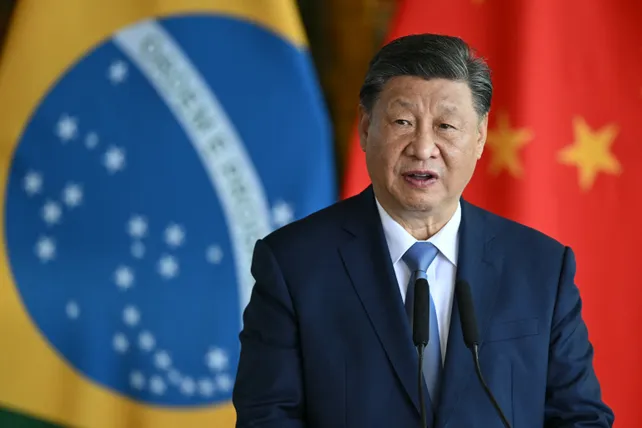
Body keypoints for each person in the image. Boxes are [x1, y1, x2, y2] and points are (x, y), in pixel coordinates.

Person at [232, 33, 614, 427]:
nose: (423, 147)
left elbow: (581, 417)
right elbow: (267, 418)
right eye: (403, 122)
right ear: (365, 127)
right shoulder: (294, 264)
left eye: (446, 126)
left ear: (480, 137)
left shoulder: (541, 267)